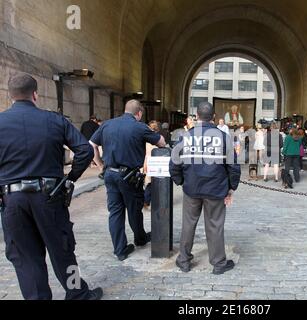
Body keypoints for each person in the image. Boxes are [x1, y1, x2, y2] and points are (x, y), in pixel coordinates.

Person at [0, 73, 102, 300]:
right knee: (63, 250)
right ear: (35, 94)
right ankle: (77, 293)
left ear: (11, 96)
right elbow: (85, 150)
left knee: (26, 257)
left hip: (12, 200)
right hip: (50, 197)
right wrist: (71, 178)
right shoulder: (55, 120)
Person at [170, 102, 241, 275]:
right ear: (214, 117)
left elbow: (173, 164)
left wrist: (181, 181)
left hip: (191, 188)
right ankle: (218, 263)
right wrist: (231, 187)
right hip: (216, 189)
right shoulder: (223, 137)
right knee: (215, 225)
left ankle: (184, 261)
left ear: (196, 116)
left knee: (188, 224)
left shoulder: (185, 137)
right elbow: (233, 167)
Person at [89, 100, 166, 261]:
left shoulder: (107, 124)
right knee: (134, 208)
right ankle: (140, 238)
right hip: (129, 176)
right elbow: (161, 142)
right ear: (139, 113)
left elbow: (92, 145)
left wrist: (100, 164)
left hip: (110, 173)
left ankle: (120, 250)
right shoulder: (139, 127)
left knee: (115, 211)